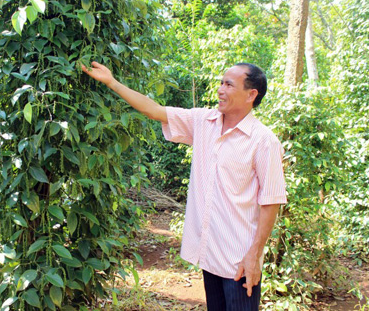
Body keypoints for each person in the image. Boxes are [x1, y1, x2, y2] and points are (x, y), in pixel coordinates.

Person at [82, 61, 287, 311]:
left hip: (239, 260)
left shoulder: (263, 141)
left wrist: (254, 255)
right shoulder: (204, 121)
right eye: (221, 82)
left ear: (251, 94)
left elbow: (271, 200)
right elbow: (154, 110)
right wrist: (112, 82)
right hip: (210, 253)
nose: (220, 89)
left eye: (229, 84)